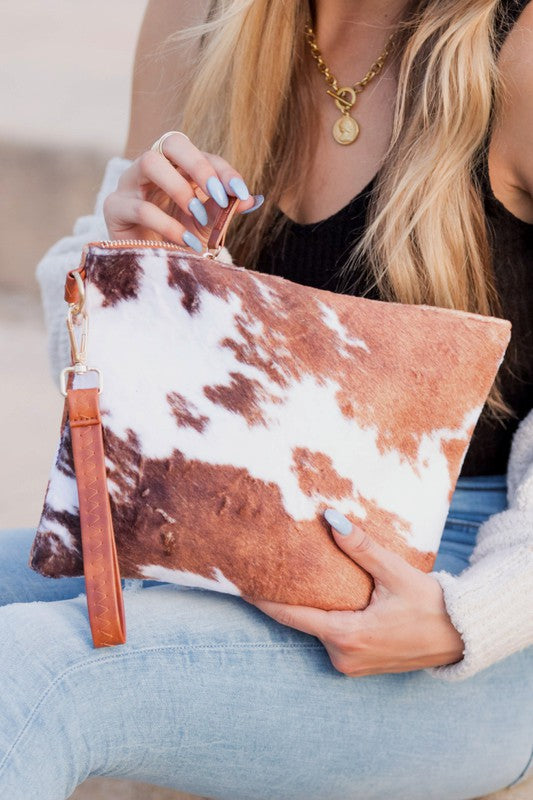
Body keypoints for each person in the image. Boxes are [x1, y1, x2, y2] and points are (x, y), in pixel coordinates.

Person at [1, 1, 532, 798]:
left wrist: (467, 616)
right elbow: (103, 400)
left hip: (459, 600)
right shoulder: (201, 18)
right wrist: (130, 274)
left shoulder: (517, 51)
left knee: (31, 678)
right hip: (218, 536)